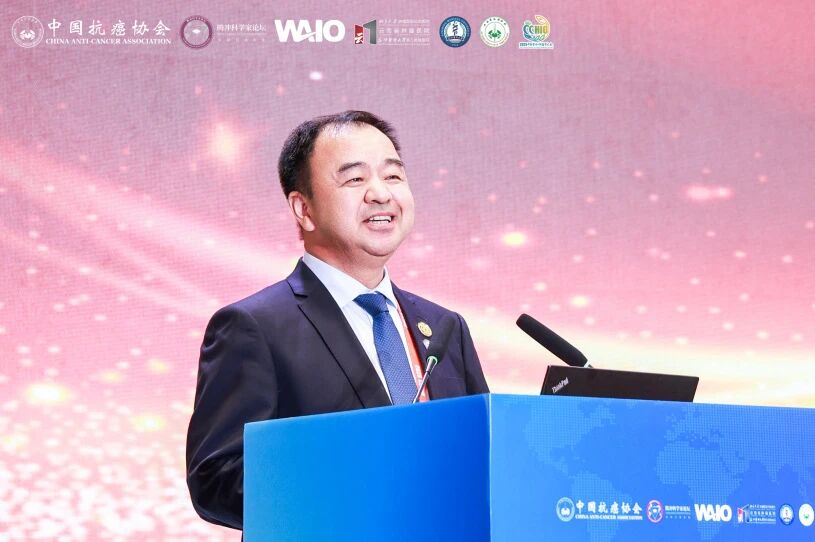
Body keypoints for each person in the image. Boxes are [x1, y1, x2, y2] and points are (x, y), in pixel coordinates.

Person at [186, 111, 489, 530]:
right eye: (355, 179)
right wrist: (358, 482)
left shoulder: (444, 327)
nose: (380, 194)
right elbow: (216, 478)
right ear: (304, 208)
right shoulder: (254, 326)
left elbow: (485, 456)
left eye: (393, 176)